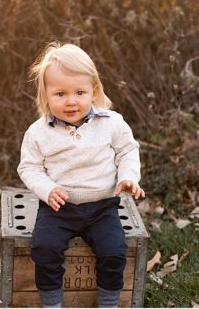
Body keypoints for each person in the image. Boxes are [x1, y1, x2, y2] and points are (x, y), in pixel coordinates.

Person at [17, 43, 143, 308]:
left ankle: (108, 303)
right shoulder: (38, 132)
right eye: (60, 93)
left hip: (102, 208)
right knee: (44, 249)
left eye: (80, 92)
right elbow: (29, 168)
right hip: (58, 208)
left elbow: (127, 151)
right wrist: (47, 189)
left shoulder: (111, 123)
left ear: (94, 91)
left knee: (114, 251)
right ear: (46, 95)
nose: (71, 101)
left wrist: (128, 176)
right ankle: (52, 304)